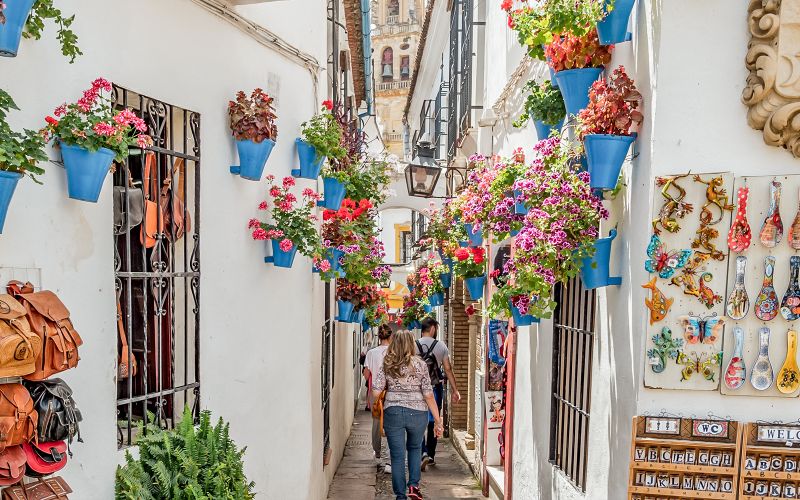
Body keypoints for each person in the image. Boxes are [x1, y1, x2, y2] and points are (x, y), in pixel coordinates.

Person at [373, 330, 443, 500]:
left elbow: (375, 392)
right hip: (418, 413)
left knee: (397, 456)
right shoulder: (420, 364)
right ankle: (413, 486)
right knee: (415, 448)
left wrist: (390, 389)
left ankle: (400, 496)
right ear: (411, 344)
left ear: (394, 343)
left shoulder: (387, 363)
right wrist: (438, 420)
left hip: (393, 412)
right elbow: (428, 394)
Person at [415, 317, 461, 470]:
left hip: (417, 389)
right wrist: (455, 390)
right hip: (434, 388)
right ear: (433, 328)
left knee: (419, 421)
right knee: (434, 420)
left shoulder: (414, 346)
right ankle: (432, 454)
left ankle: (422, 452)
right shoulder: (441, 346)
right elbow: (447, 369)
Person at [362, 324, 393, 465]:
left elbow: (366, 374)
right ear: (390, 336)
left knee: (376, 422)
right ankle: (390, 456)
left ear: (379, 336)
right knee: (393, 423)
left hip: (376, 392)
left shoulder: (371, 353)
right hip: (392, 391)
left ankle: (378, 453)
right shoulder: (394, 352)